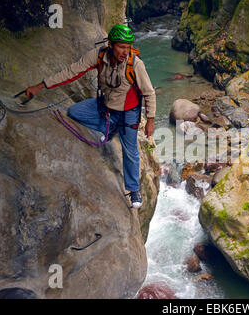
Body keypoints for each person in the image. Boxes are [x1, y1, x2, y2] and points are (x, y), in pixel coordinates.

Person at [26, 24, 156, 209]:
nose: (125, 52)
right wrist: (41, 86)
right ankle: (109, 128)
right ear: (110, 44)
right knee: (74, 112)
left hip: (129, 113)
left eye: (128, 47)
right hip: (106, 106)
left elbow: (149, 93)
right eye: (121, 47)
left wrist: (150, 120)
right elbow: (71, 72)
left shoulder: (135, 64)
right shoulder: (99, 55)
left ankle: (133, 189)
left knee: (130, 151)